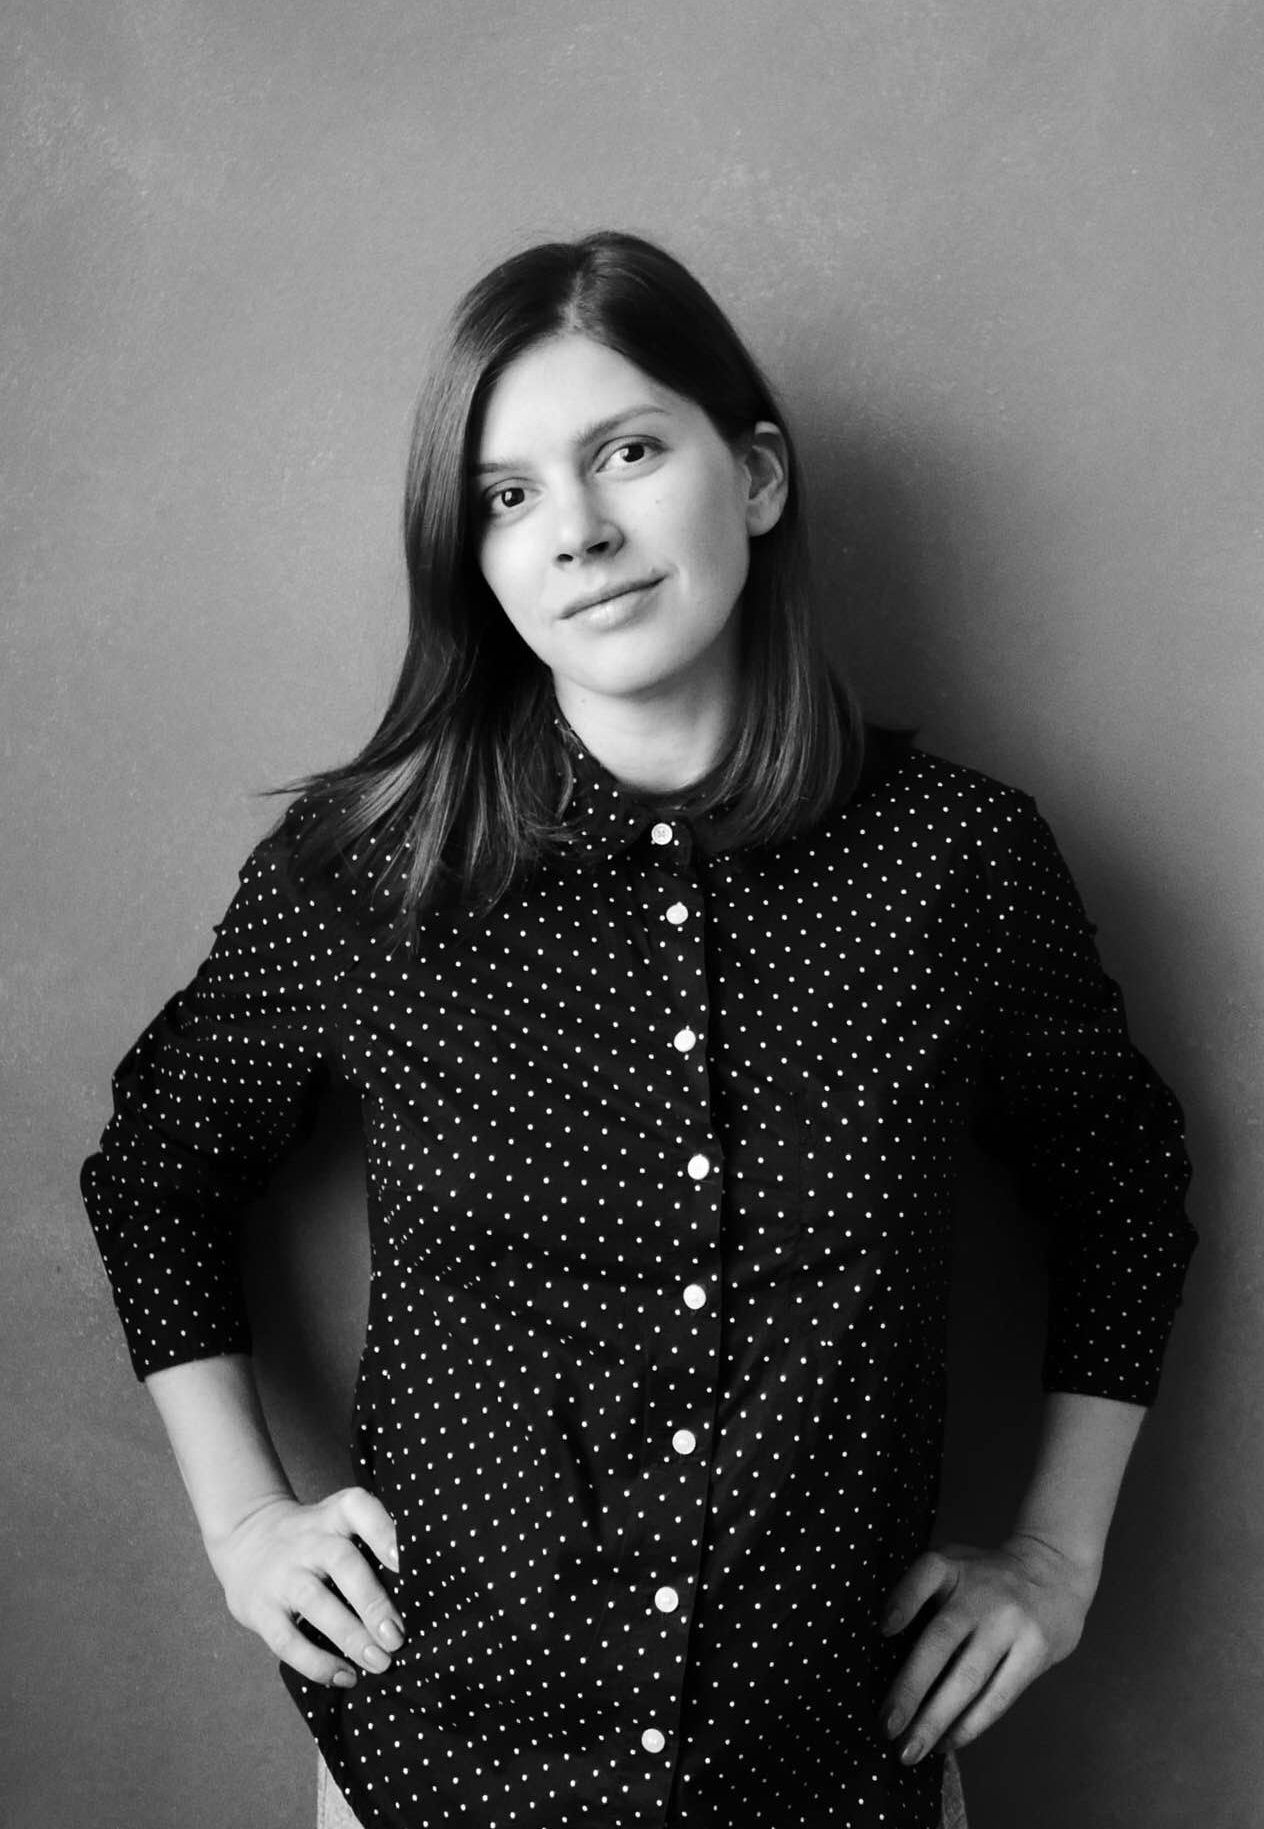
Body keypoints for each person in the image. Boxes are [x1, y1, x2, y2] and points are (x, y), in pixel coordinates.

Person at [82, 231, 1196, 1829]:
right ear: (471, 556)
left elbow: (1125, 1182)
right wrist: (243, 1519)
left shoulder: (960, 863)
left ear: (756, 475)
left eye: (626, 452)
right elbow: (156, 1171)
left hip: (833, 1781)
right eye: (506, 493)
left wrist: (1056, 1555)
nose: (579, 530)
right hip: (438, 1774)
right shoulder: (366, 877)